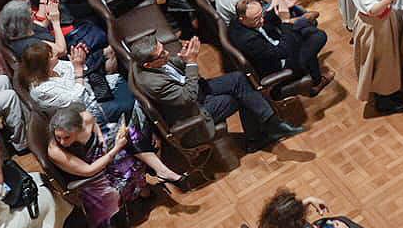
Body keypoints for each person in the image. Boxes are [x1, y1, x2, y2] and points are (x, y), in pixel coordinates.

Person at [128, 34, 302, 149]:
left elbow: (171, 65)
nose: (166, 53)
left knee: (239, 79)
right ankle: (256, 138)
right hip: (192, 109)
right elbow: (188, 97)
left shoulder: (148, 62)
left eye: (163, 48)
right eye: (161, 54)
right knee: (239, 97)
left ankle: (271, 124)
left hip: (194, 89)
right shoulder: (152, 83)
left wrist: (184, 57)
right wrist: (191, 62)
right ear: (148, 65)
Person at [43, 105, 156, 228]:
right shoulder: (55, 150)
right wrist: (116, 148)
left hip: (94, 155)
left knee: (132, 135)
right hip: (84, 173)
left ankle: (146, 185)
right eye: (58, 137)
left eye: (67, 137)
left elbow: (94, 123)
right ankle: (143, 189)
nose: (62, 142)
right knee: (126, 157)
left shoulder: (85, 118)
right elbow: (88, 170)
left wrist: (101, 138)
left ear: (78, 128)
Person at [230, 0, 332, 95]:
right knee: (318, 37)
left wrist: (284, 7)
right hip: (280, 63)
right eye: (256, 18)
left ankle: (312, 72)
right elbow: (283, 52)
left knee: (309, 30)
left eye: (261, 14)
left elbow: (265, 23)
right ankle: (316, 82)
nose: (261, 20)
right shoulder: (248, 41)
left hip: (274, 44)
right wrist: (285, 21)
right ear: (242, 18)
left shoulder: (238, 20)